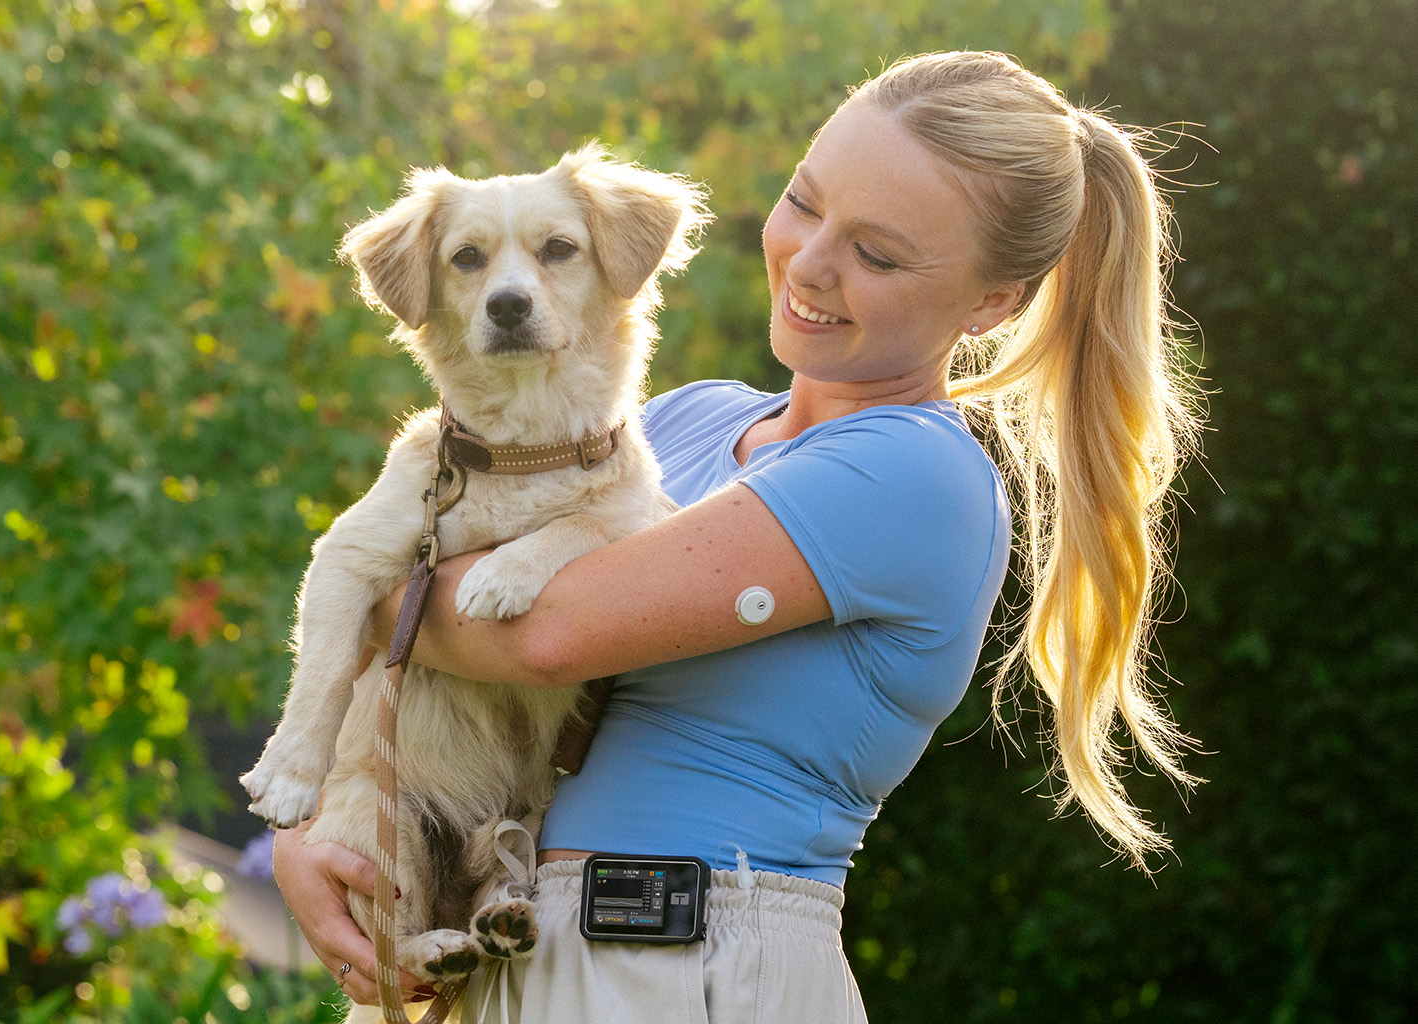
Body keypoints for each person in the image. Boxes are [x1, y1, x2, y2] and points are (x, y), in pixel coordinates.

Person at [272, 49, 1201, 1022]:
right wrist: (321, 831)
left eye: (876, 254)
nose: (808, 262)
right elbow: (433, 668)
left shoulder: (911, 473)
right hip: (521, 953)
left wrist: (380, 580)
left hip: (690, 967)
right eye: (802, 204)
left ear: (990, 301)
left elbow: (544, 636)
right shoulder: (685, 424)